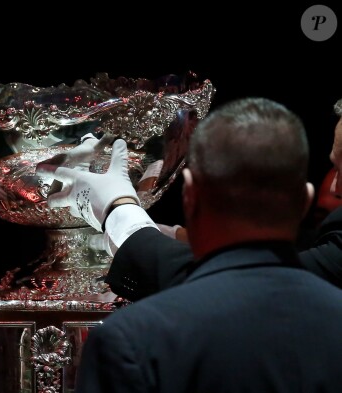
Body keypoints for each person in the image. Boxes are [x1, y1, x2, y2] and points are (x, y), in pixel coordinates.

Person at [46, 97, 342, 392]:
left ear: (188, 197)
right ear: (305, 201)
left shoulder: (128, 342)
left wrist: (120, 214)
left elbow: (242, 294)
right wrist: (164, 232)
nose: (335, 187)